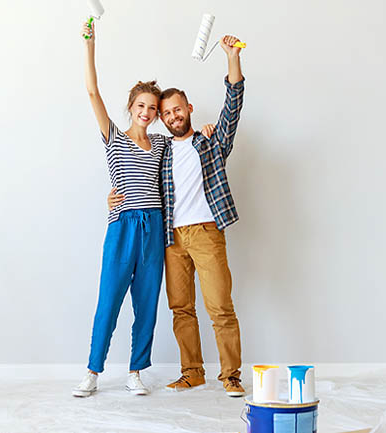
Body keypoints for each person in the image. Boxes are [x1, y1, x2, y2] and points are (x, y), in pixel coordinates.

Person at [108, 34, 247, 397]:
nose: (172, 116)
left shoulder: (211, 142)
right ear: (162, 118)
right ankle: (192, 372)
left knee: (220, 307)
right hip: (170, 238)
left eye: (177, 109)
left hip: (206, 232)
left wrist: (232, 58)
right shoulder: (162, 150)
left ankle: (231, 376)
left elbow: (232, 106)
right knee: (181, 309)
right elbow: (133, 172)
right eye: (165, 113)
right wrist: (113, 197)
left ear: (189, 108)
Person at [72, 18, 168, 398]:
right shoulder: (113, 137)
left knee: (147, 304)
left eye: (153, 108)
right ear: (131, 107)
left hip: (154, 228)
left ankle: (136, 371)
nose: (146, 111)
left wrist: (206, 129)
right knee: (108, 302)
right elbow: (93, 92)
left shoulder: (161, 145)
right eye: (141, 105)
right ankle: (93, 372)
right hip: (122, 225)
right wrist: (90, 45)